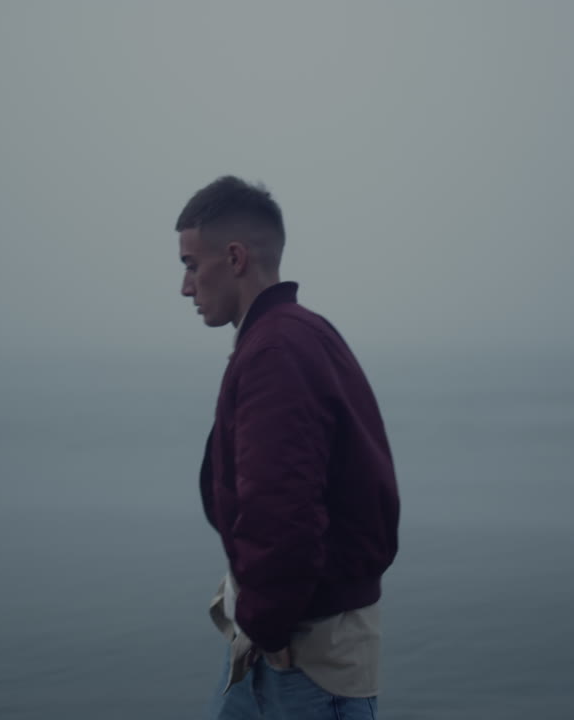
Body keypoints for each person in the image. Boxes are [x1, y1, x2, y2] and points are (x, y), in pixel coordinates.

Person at [176, 176, 401, 719]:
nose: (185, 286)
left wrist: (263, 623)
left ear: (234, 257)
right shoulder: (296, 335)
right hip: (283, 658)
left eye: (189, 264)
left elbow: (283, 517)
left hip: (297, 670)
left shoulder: (276, 352)